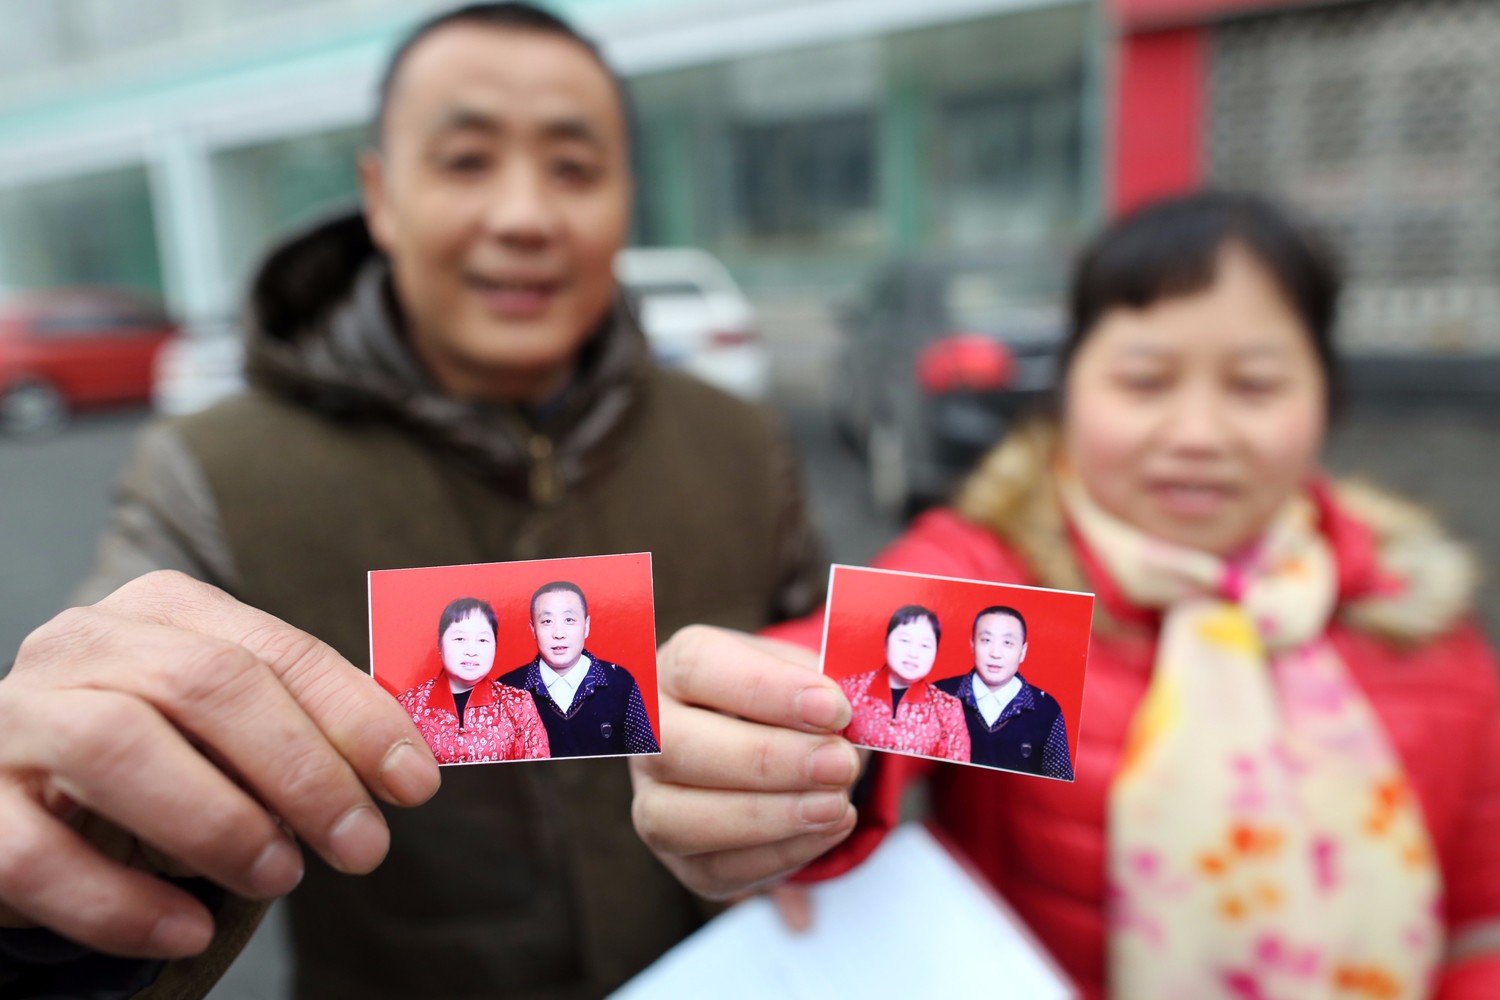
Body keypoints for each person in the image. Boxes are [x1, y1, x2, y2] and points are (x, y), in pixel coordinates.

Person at [0, 4, 841, 998]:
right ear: (380, 196)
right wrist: (46, 876)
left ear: (627, 200)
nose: (525, 215)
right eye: (467, 160)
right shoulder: (211, 471)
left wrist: (819, 818)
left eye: (574, 168)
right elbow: (107, 770)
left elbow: (833, 680)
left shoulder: (738, 439)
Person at [631, 191, 1500, 998]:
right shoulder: (1005, 577)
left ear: (1327, 398)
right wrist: (764, 727)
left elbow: (1476, 936)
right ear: (1071, 388)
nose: (1197, 434)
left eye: (1255, 385)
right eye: (1145, 380)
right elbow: (858, 658)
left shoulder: (1425, 628)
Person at [501, 581, 659, 756]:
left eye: (569, 620)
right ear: (533, 629)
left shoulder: (620, 682)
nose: (558, 633)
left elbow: (647, 758)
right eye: (547, 621)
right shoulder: (506, 690)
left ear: (586, 626)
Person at [398, 597, 550, 763]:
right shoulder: (407, 707)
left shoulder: (518, 704)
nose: (471, 651)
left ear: (495, 647)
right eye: (460, 639)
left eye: (483, 640)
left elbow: (538, 773)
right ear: (439, 644)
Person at [932, 606, 1072, 778]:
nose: (995, 653)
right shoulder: (938, 695)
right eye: (986, 640)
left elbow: (1060, 780)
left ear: (1022, 652)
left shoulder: (1047, 709)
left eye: (1007, 643)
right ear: (972, 645)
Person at [836, 605, 968, 762]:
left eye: (925, 645)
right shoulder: (847, 690)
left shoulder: (948, 709)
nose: (913, 653)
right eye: (905, 640)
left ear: (935, 652)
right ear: (886, 641)